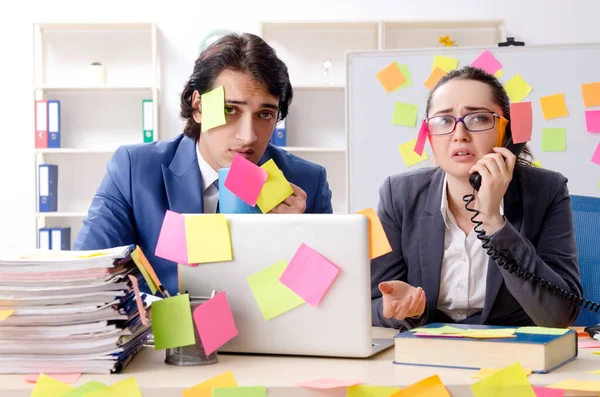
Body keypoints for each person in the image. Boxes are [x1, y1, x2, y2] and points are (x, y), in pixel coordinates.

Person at [74, 32, 333, 295]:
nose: (249, 136)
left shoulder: (307, 182)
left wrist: (295, 237)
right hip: (164, 334)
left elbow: (325, 298)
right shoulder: (133, 170)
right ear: (198, 106)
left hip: (269, 334)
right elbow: (88, 280)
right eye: (230, 110)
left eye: (265, 114)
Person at [371, 66, 582, 330]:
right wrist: (404, 310)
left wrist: (494, 221)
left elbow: (559, 315)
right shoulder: (398, 195)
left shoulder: (547, 190)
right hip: (425, 348)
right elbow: (373, 303)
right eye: (444, 121)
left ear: (508, 133)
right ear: (428, 136)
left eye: (479, 118)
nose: (459, 134)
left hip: (514, 352)